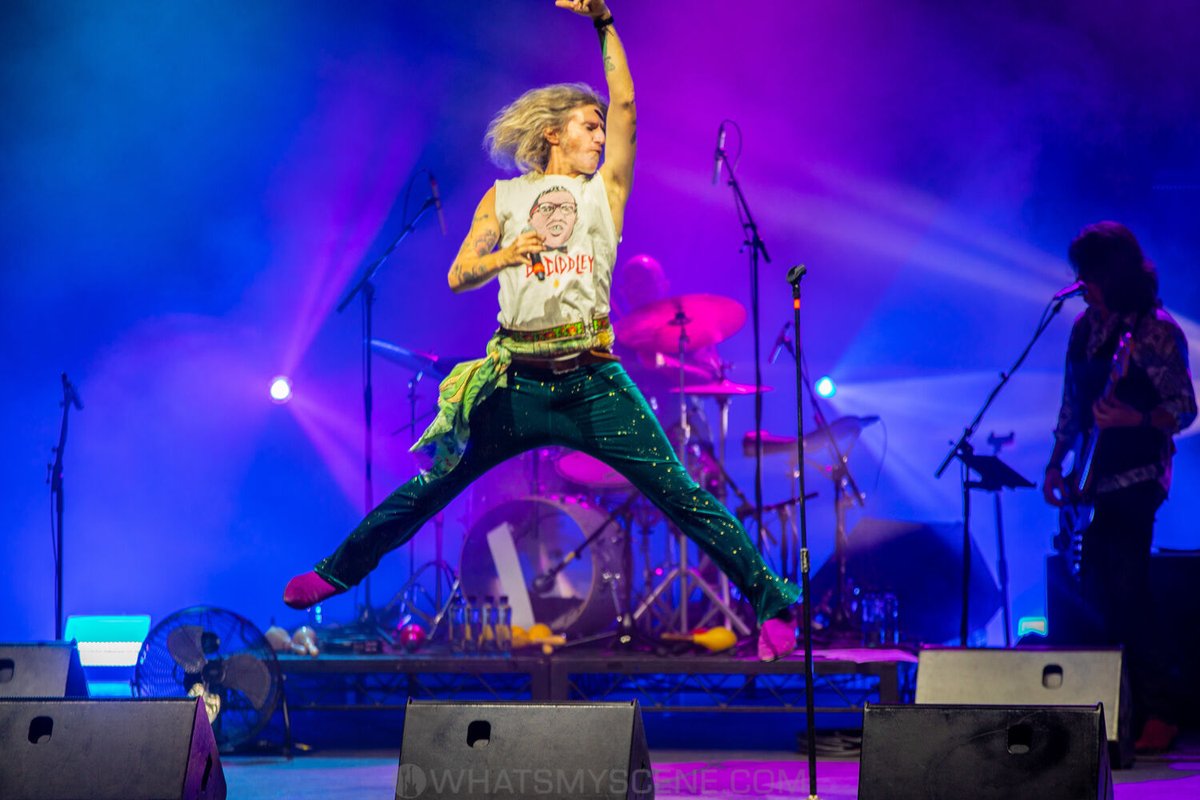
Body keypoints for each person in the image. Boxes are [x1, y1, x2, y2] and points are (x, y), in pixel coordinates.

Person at [283, 0, 800, 660]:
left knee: (681, 494)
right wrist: (505, 255)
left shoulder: (604, 193)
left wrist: (605, 25)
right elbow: (459, 274)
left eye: (601, 129)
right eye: (588, 127)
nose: (599, 137)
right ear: (554, 133)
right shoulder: (502, 199)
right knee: (432, 484)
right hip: (515, 384)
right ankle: (338, 570)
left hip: (593, 382)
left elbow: (629, 109)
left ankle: (772, 601)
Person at [1042, 221, 1196, 752]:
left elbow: (1184, 409)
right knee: (1096, 596)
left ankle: (1164, 707)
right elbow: (1071, 405)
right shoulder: (1083, 329)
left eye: (1090, 272)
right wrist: (1056, 462)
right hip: (1090, 476)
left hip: (1137, 476)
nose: (1082, 282)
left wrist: (1136, 417)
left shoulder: (1156, 332)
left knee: (1128, 589)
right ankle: (1109, 708)